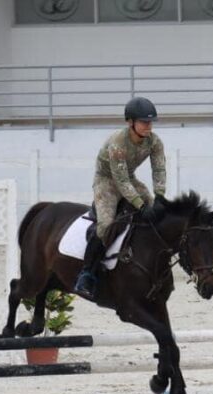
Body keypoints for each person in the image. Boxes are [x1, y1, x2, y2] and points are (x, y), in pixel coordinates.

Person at [74, 96, 167, 299]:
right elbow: (120, 180)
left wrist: (159, 196)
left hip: (129, 178)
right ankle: (87, 274)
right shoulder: (118, 142)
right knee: (106, 224)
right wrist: (141, 205)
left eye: (150, 122)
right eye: (143, 122)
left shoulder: (154, 141)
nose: (148, 126)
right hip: (106, 181)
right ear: (130, 122)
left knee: (158, 215)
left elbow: (159, 169)